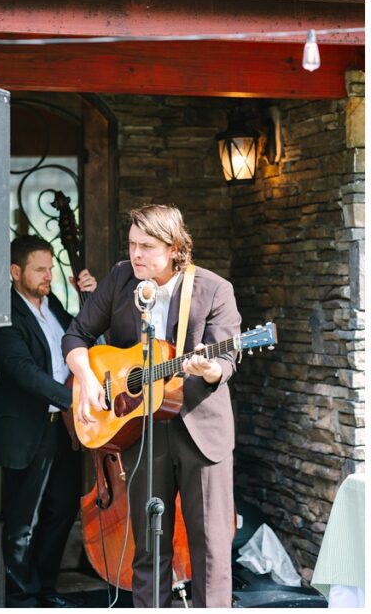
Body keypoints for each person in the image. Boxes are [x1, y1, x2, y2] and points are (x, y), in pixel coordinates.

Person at [62, 205, 240, 607]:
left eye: (147, 246)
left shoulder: (214, 289)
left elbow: (226, 362)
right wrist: (88, 378)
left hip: (200, 430)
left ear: (174, 247)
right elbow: (75, 336)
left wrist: (208, 367)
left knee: (210, 547)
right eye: (132, 244)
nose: (136, 254)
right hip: (141, 430)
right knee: (148, 545)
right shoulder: (121, 277)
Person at [0, 235, 96, 607]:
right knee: (22, 521)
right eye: (39, 269)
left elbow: (85, 342)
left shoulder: (55, 307)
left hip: (64, 430)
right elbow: (23, 371)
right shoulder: (3, 313)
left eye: (50, 268)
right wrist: (75, 401)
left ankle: (46, 587)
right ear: (15, 271)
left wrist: (91, 299)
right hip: (27, 429)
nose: (48, 275)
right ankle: (21, 597)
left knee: (62, 509)